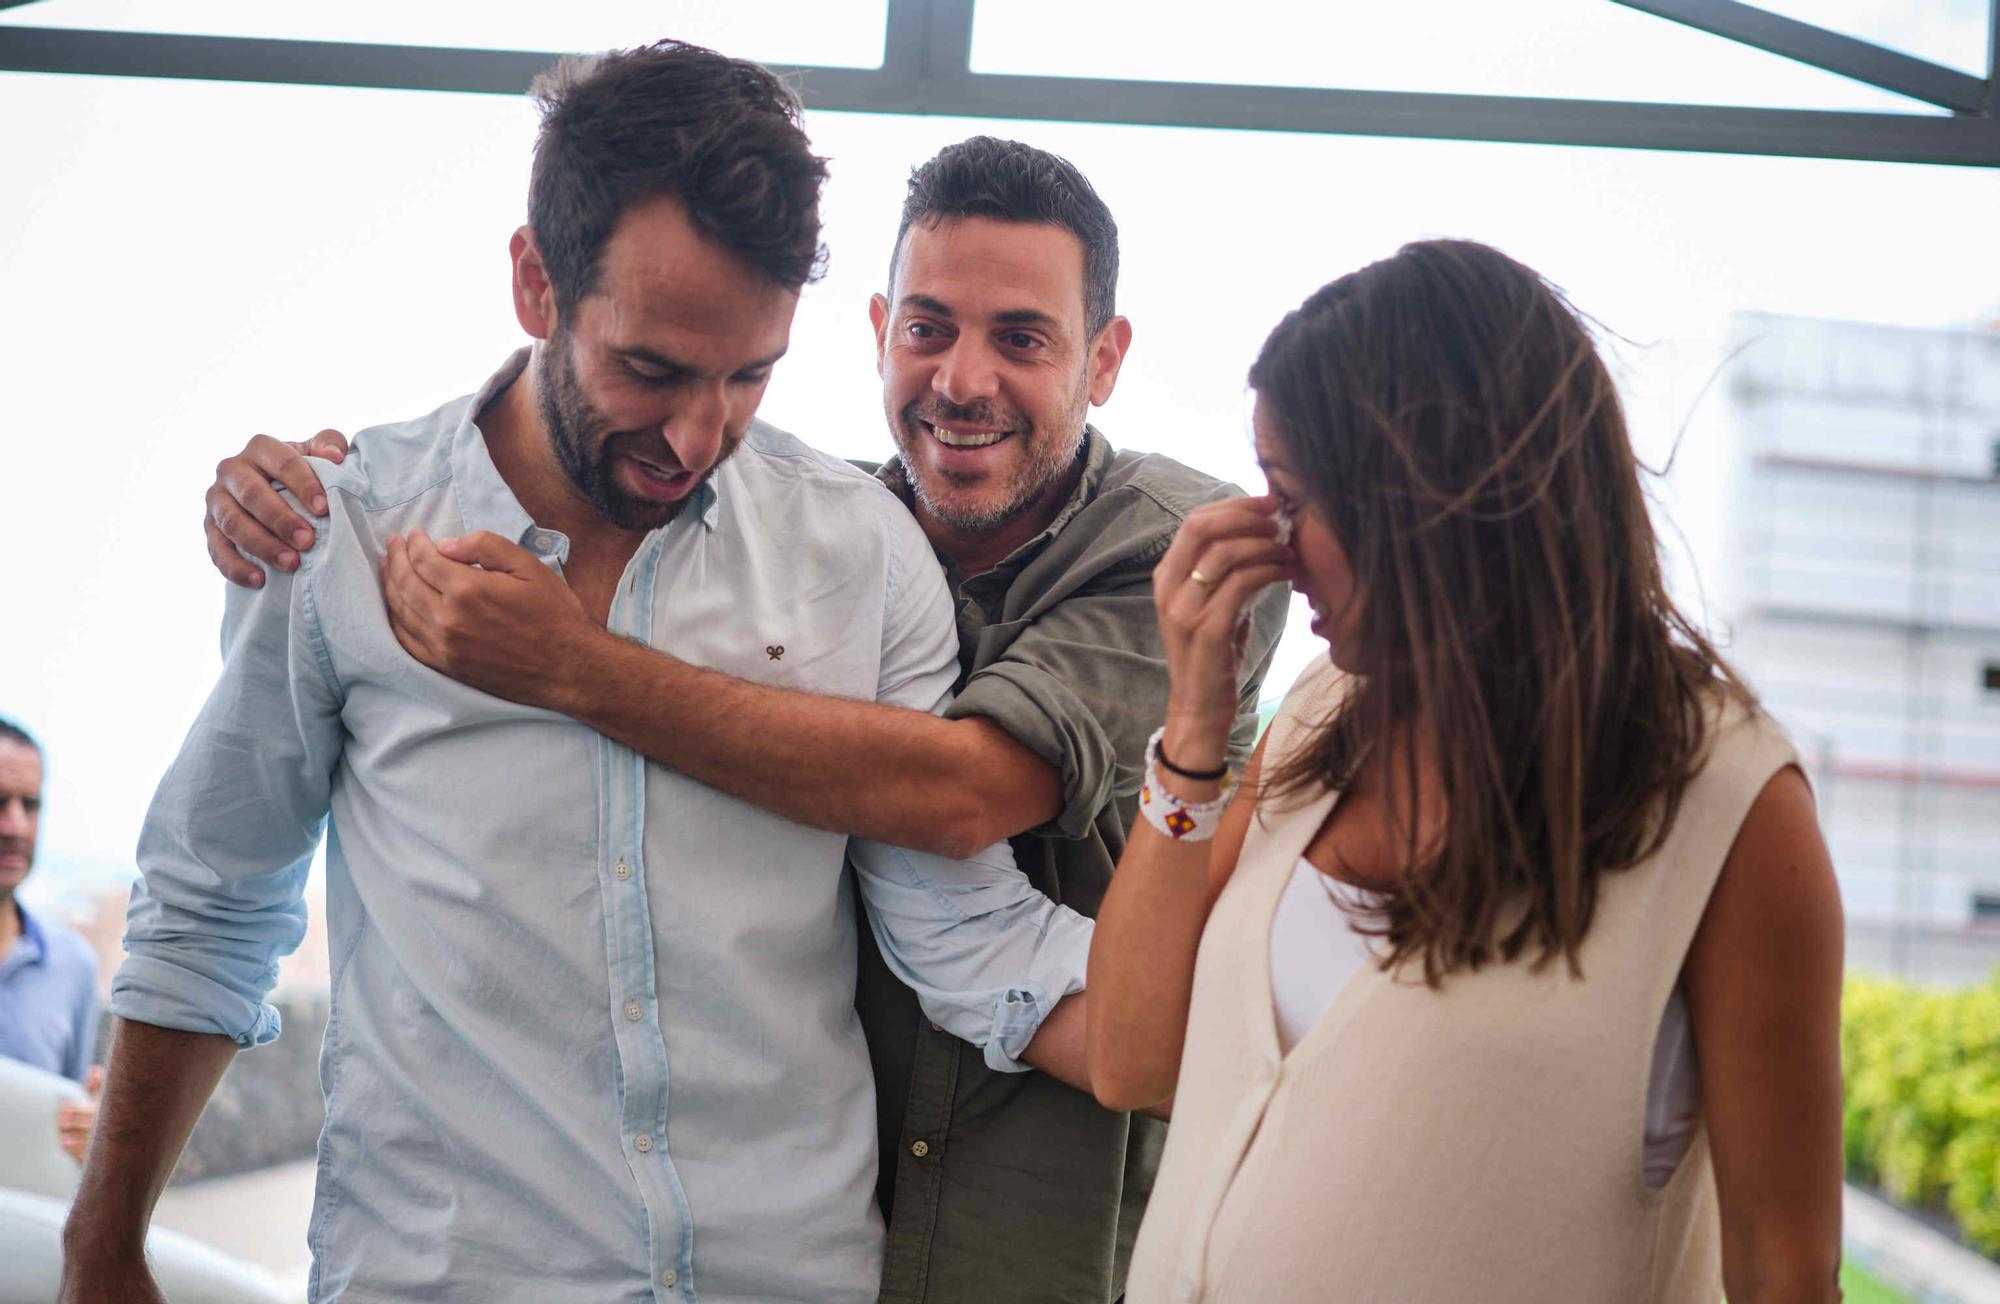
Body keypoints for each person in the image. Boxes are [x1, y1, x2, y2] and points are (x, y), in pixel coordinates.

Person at [60, 44, 1101, 1304]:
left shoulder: (862, 549)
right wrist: (101, 1244)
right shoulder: (333, 529)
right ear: (535, 282)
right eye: (652, 369)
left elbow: (963, 934)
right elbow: (213, 901)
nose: (696, 436)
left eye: (749, 373)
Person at [200, 138, 1290, 1301]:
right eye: (926, 328)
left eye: (1020, 338)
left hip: (1043, 1229)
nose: (961, 379)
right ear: (877, 330)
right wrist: (302, 497)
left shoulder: (1177, 549)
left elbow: (961, 798)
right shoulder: (832, 538)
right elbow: (214, 884)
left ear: (1104, 358)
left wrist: (573, 665)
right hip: (802, 1242)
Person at [1087, 240, 1846, 1302]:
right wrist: (1192, 727)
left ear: (1426, 504)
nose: (1272, 542)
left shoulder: (1723, 799)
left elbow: (1786, 1273)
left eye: (1293, 497)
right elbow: (1130, 1055)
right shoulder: (1315, 719)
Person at [0, 718, 104, 1164]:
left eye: (31, 805)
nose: (16, 826)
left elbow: (70, 1118)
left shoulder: (72, 964)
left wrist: (93, 1133)